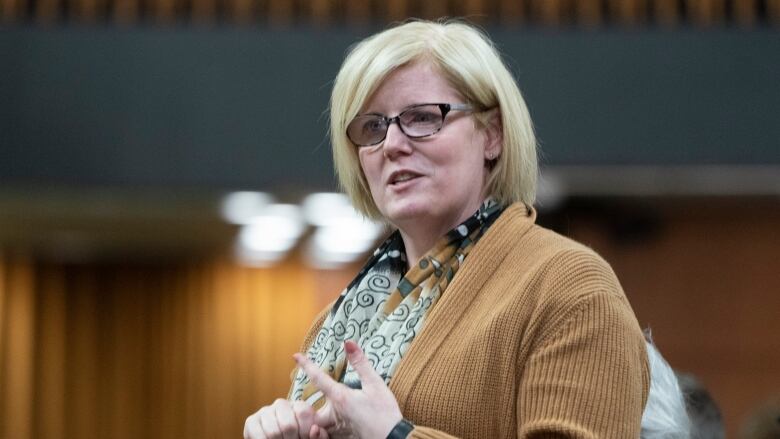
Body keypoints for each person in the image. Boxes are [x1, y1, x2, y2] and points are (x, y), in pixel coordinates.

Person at [244, 19, 649, 439]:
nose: (393, 145)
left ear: (492, 135)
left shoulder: (568, 287)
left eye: (422, 118)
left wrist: (396, 435)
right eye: (373, 127)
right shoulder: (341, 319)